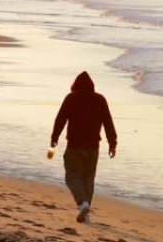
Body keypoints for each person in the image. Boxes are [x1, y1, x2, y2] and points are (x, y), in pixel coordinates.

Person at [50, 71, 117, 223]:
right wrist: (112, 143)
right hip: (93, 148)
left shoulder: (71, 98)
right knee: (88, 179)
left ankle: (82, 204)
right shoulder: (100, 99)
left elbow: (60, 119)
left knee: (72, 176)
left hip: (75, 146)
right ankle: (85, 212)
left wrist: (54, 137)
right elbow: (108, 123)